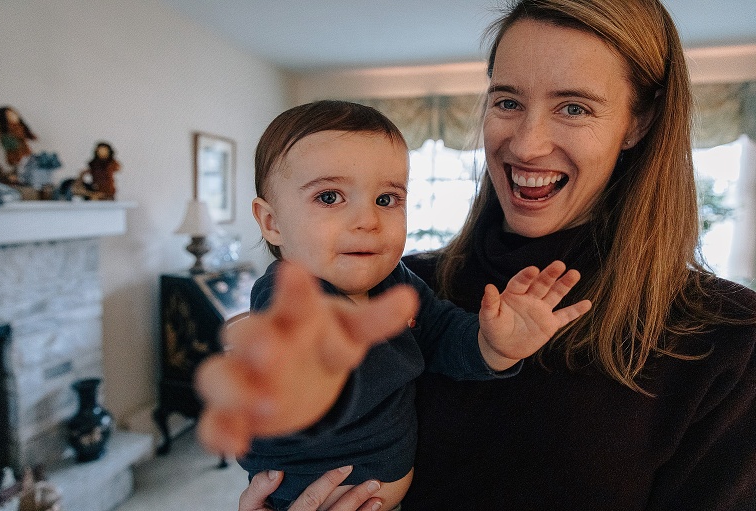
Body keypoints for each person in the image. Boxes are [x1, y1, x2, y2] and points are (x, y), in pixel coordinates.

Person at [201, 0, 756, 509]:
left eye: (575, 108)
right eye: (508, 100)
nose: (526, 143)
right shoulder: (401, 284)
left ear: (638, 121)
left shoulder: (728, 339)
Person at [197, 100, 591, 511]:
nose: (367, 220)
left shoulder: (396, 281)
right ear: (271, 222)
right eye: (330, 197)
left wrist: (492, 345)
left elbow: (439, 332)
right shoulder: (288, 293)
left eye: (387, 199)